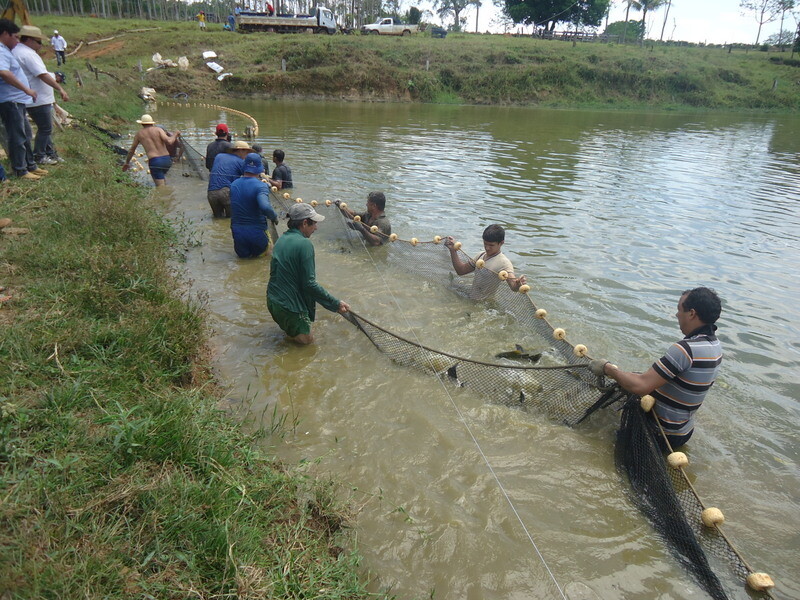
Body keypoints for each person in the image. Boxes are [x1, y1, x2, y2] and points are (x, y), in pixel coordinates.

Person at [590, 287, 723, 448]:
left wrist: (608, 369)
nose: (676, 315)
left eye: (679, 309)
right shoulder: (715, 347)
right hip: (684, 433)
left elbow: (640, 386)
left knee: (602, 436)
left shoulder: (685, 349)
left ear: (692, 313)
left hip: (659, 434)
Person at [267, 203, 350, 345]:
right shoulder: (305, 244)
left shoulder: (282, 239)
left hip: (273, 301)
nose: (316, 228)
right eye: (314, 224)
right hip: (289, 307)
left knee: (292, 336)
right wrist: (335, 304)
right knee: (307, 344)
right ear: (305, 223)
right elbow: (309, 284)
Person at [13, 26, 69, 167]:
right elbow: (42, 75)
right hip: (37, 98)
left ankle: (49, 153)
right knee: (45, 128)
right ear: (30, 40)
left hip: (34, 97)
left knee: (45, 128)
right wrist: (60, 88)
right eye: (39, 42)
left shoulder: (19, 52)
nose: (40, 45)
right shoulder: (27, 54)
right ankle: (40, 155)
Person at [0, 18, 46, 181]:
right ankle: (20, 170)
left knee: (25, 134)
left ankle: (30, 165)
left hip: (17, 101)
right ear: (5, 34)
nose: (17, 40)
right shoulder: (0, 50)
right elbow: (4, 73)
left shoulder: (6, 50)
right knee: (17, 136)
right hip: (10, 101)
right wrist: (26, 89)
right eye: (15, 37)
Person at [444, 225, 526, 300]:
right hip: (471, 297)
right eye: (485, 244)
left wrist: (518, 284)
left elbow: (513, 286)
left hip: (483, 303)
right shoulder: (481, 255)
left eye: (491, 245)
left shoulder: (504, 263)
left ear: (501, 243)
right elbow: (461, 271)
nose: (487, 248)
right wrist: (453, 250)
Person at [230, 153, 278, 258]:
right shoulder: (261, 186)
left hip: (238, 233)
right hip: (257, 233)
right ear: (260, 169)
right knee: (263, 261)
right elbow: (265, 207)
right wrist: (274, 217)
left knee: (243, 261)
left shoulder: (233, 185)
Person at [122, 114, 180, 187]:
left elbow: (132, 150)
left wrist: (127, 162)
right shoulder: (158, 130)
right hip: (167, 160)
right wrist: (175, 134)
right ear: (152, 123)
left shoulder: (139, 134)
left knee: (160, 187)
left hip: (155, 161)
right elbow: (169, 141)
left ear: (142, 123)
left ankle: (163, 197)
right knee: (163, 182)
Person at [207, 140, 251, 218]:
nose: (247, 155)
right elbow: (249, 178)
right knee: (231, 220)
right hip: (226, 192)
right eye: (247, 152)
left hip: (211, 193)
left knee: (217, 219)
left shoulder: (219, 156)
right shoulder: (241, 162)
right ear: (241, 150)